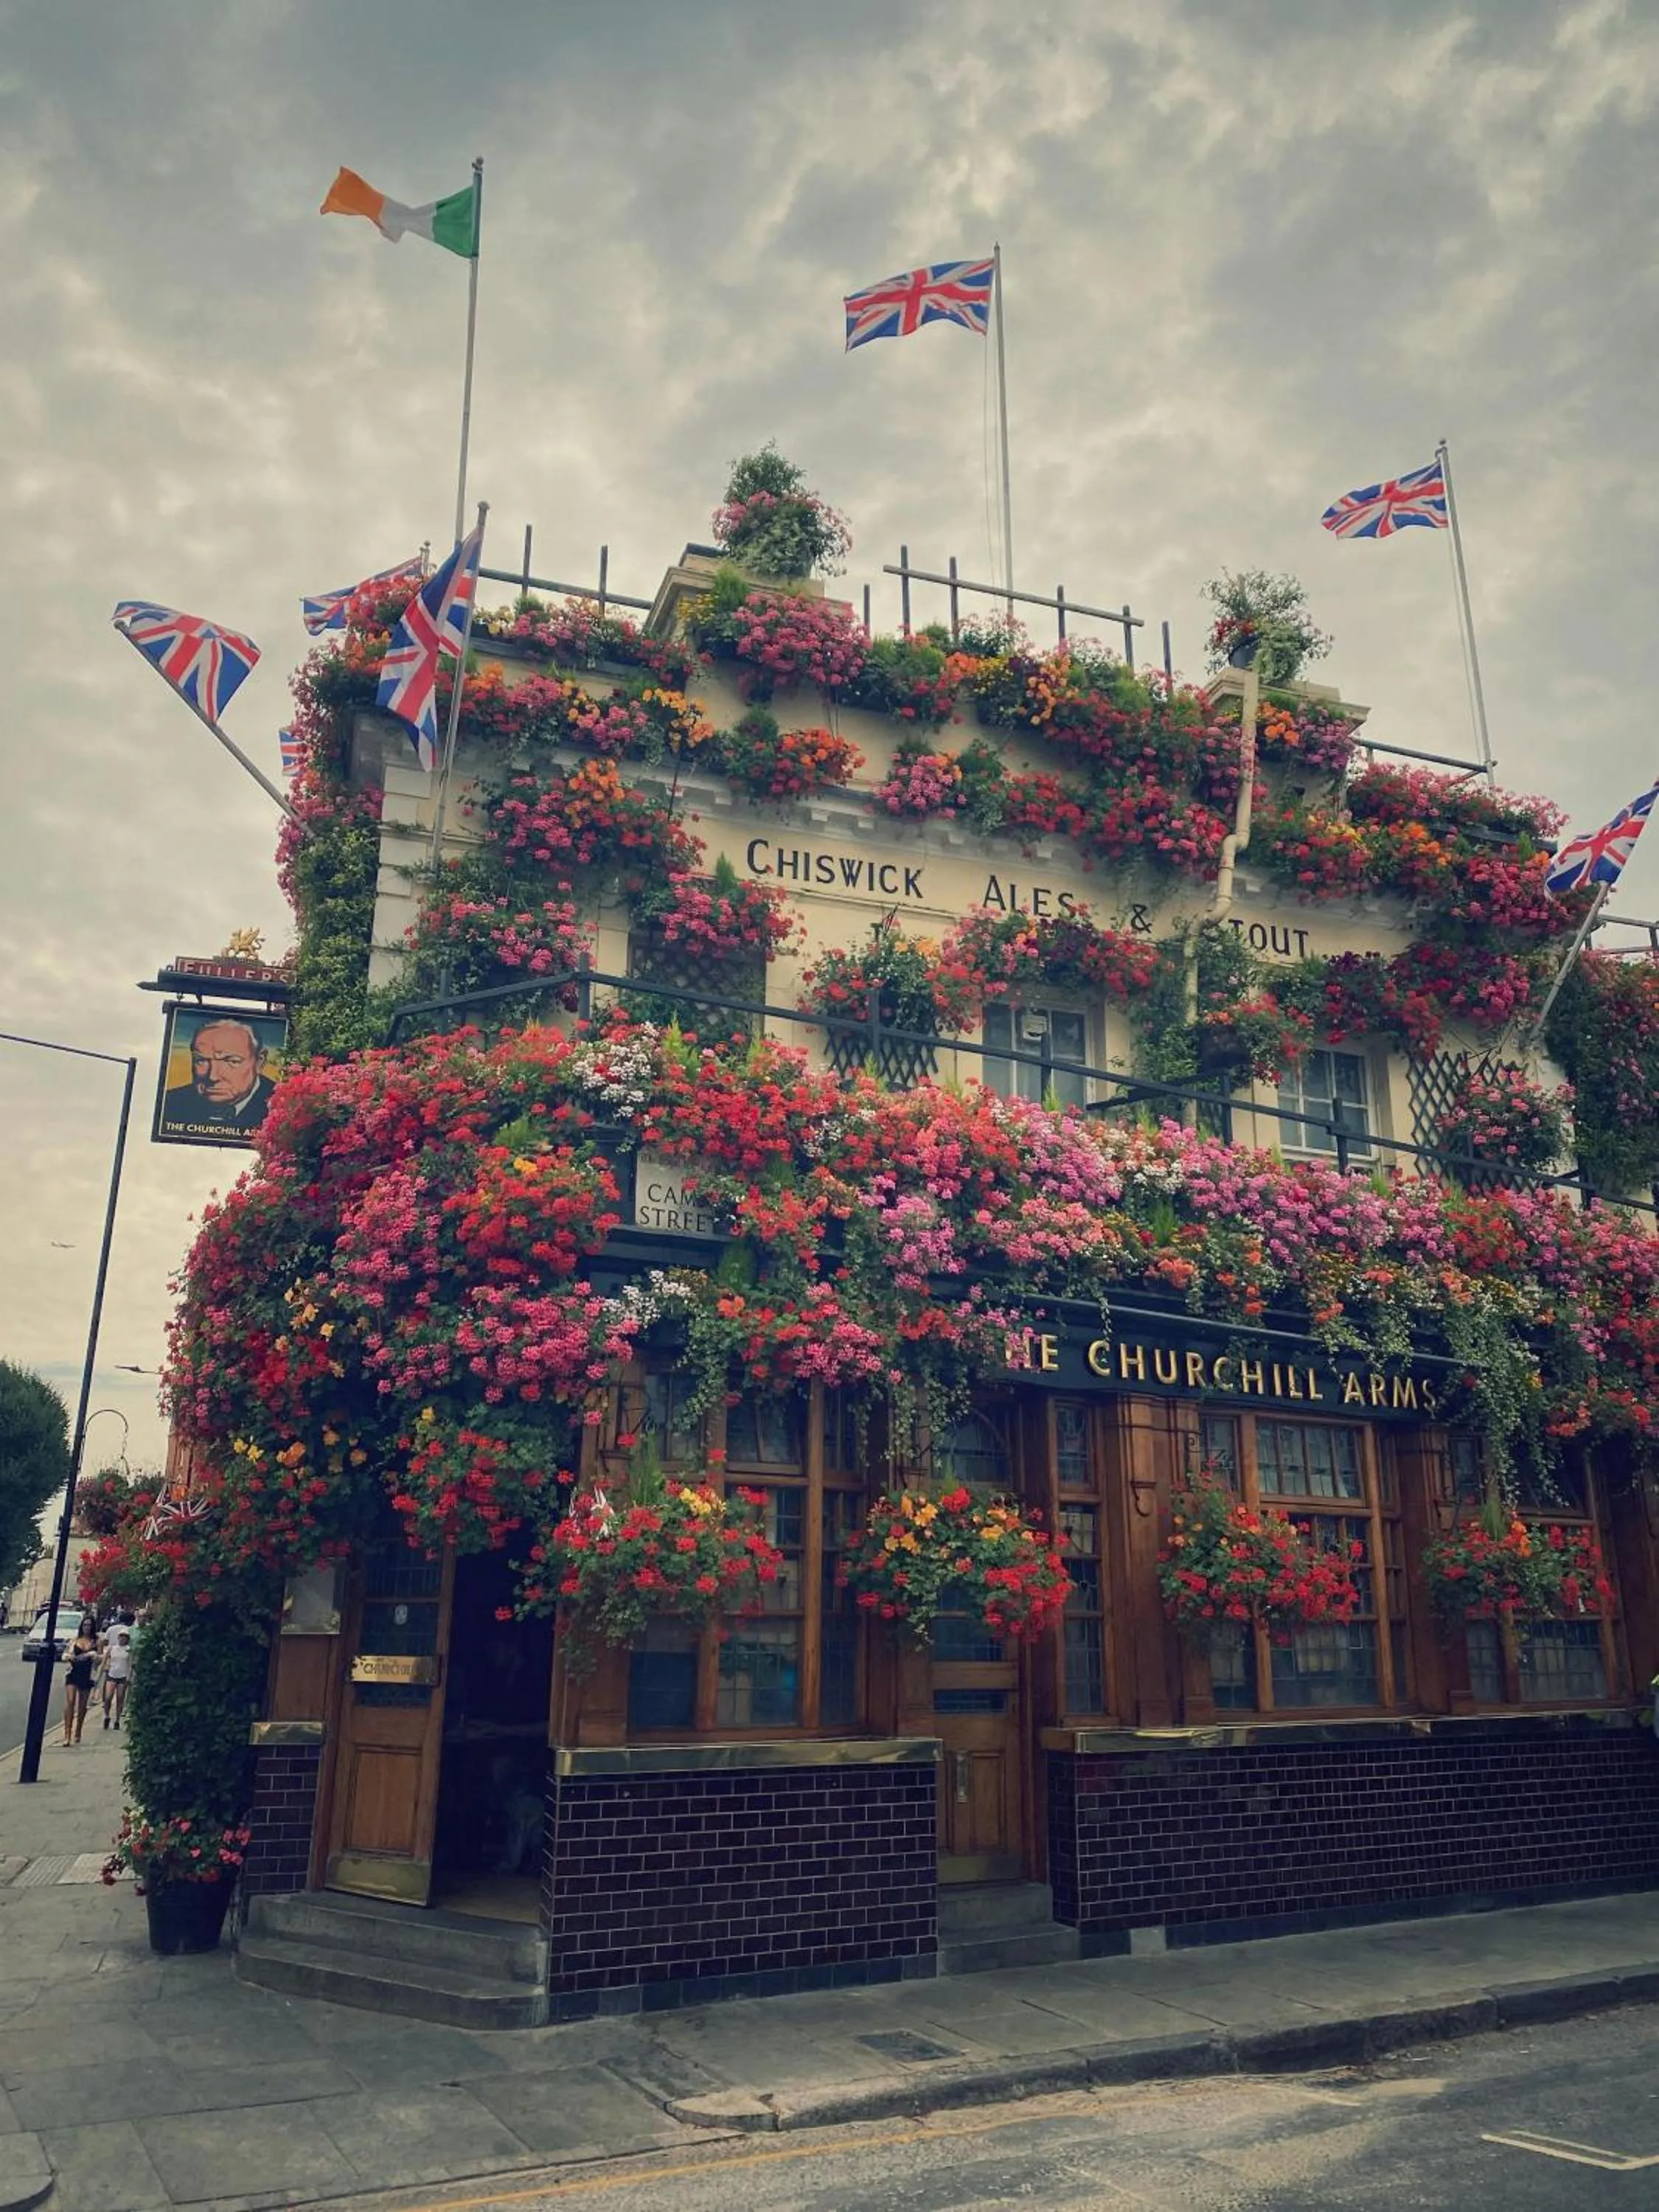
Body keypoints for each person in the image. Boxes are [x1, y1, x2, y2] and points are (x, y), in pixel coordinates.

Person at [160, 1018, 278, 1134]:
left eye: (232, 1061)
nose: (213, 1077)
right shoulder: (170, 1104)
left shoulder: (283, 1106)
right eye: (201, 1060)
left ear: (259, 1062)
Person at [62, 1619, 97, 1746]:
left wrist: (94, 1656)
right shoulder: (74, 1640)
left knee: (82, 1706)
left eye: (89, 1625)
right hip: (73, 1672)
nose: (87, 1627)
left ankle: (78, 1731)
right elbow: (65, 1654)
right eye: (85, 1625)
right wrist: (68, 1657)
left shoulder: (96, 1641)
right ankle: (67, 1735)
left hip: (87, 1674)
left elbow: (100, 1658)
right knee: (70, 1702)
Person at [100, 1624, 133, 1729]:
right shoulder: (112, 1648)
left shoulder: (129, 1650)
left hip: (123, 1676)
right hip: (112, 1674)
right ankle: (106, 1715)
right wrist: (100, 1674)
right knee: (108, 1697)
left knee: (120, 1698)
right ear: (118, 1637)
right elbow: (105, 1661)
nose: (123, 1639)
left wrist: (129, 1677)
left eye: (125, 1637)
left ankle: (117, 1720)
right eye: (121, 1636)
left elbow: (130, 1664)